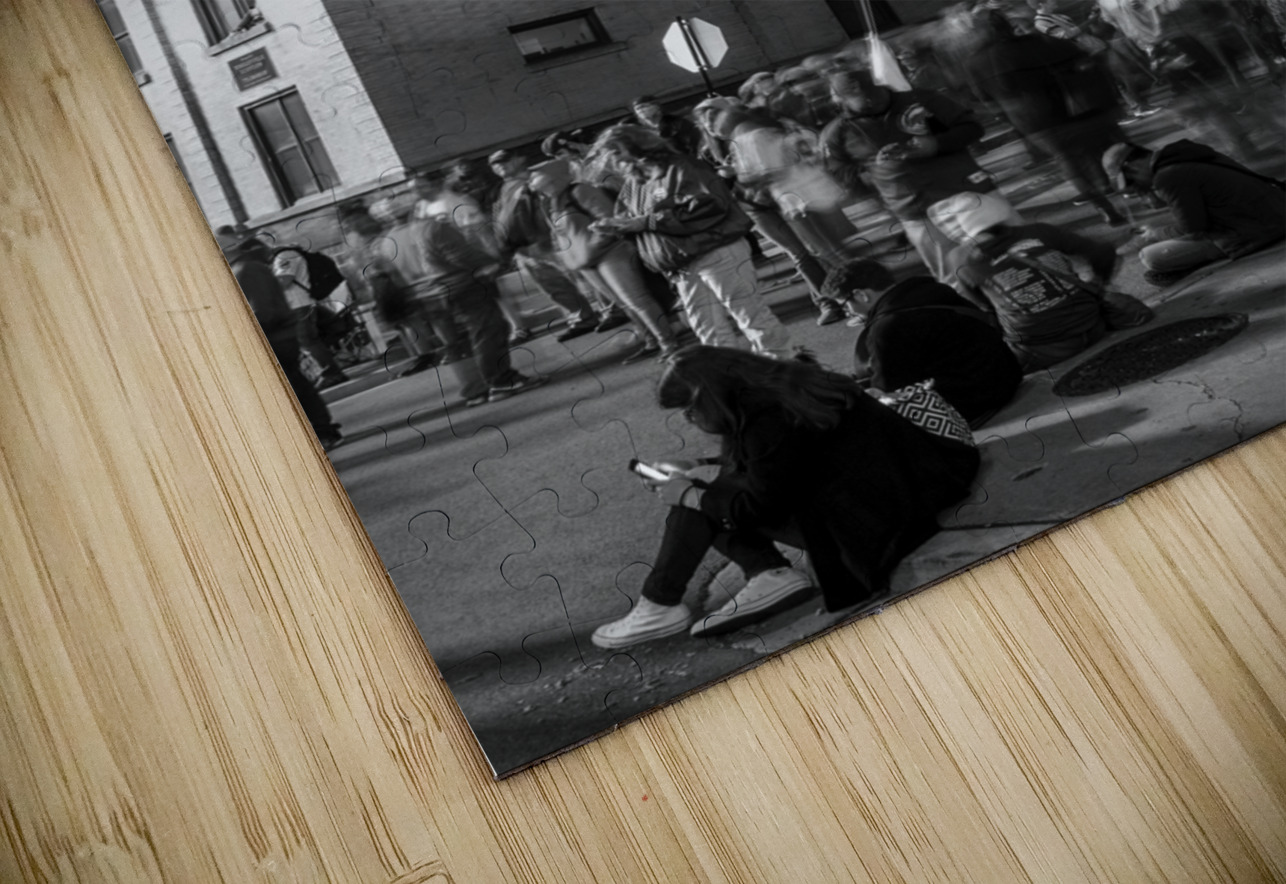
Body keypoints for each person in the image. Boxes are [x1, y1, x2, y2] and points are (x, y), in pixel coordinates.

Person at [591, 347, 981, 648]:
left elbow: (760, 503)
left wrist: (691, 494)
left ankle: (664, 603)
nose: (689, 419)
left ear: (709, 395)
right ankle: (752, 578)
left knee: (695, 500)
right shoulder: (785, 387)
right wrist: (699, 464)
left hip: (871, 524)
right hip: (902, 491)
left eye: (689, 409)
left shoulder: (765, 419)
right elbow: (781, 466)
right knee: (699, 487)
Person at [590, 124, 795, 359]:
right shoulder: (635, 182)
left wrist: (648, 222)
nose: (611, 160)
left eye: (615, 152)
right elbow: (630, 217)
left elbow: (710, 205)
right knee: (707, 328)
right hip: (681, 262)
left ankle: (784, 365)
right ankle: (735, 376)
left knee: (749, 315)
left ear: (635, 146)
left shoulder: (681, 166)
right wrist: (616, 225)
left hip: (715, 249)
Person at [822, 67, 1013, 286]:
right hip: (915, 211)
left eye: (873, 94)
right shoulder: (837, 132)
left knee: (1016, 253)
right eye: (859, 98)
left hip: (969, 192)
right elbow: (840, 173)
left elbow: (972, 128)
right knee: (955, 278)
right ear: (840, 99)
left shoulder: (922, 100)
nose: (870, 101)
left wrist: (935, 144)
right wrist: (874, 174)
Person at [932, 191, 1121, 371]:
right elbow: (1102, 252)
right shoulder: (1040, 231)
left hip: (1039, 348)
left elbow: (980, 308)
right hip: (1093, 324)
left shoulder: (960, 259)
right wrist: (1099, 283)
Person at [822, 259, 1023, 427]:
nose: (848, 312)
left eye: (844, 304)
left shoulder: (886, 327)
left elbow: (887, 388)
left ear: (861, 294)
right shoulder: (933, 290)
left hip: (972, 403)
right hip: (1006, 375)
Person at [526, 157, 681, 363]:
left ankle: (668, 343)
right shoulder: (552, 202)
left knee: (636, 300)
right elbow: (558, 235)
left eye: (539, 180)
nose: (535, 185)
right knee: (624, 304)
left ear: (554, 178)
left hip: (611, 253)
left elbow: (609, 219)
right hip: (587, 262)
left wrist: (591, 248)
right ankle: (651, 341)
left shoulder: (580, 191)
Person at [1102, 140, 1286, 285]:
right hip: (1274, 211)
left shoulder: (1167, 177)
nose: (1136, 186)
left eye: (1132, 181)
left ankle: (1195, 262)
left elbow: (1193, 229)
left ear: (1133, 167)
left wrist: (1154, 234)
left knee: (1150, 257)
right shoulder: (1184, 154)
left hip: (1253, 232)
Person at [228, 236, 342, 450]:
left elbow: (263, 310)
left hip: (276, 334)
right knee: (295, 383)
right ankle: (321, 429)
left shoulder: (246, 271)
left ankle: (323, 429)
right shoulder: (247, 269)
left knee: (295, 383)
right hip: (279, 332)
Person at [487, 149, 599, 343]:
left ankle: (613, 310)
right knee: (554, 288)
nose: (500, 166)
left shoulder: (539, 178)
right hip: (523, 249)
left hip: (548, 243)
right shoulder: (501, 189)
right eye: (495, 164)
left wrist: (553, 237)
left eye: (505, 161)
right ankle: (582, 318)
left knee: (584, 279)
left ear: (520, 157)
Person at [270, 245, 352, 387]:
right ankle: (330, 369)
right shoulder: (282, 257)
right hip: (300, 304)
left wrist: (265, 284)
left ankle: (332, 373)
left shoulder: (285, 256)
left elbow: (285, 280)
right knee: (309, 340)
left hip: (299, 304)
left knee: (308, 340)